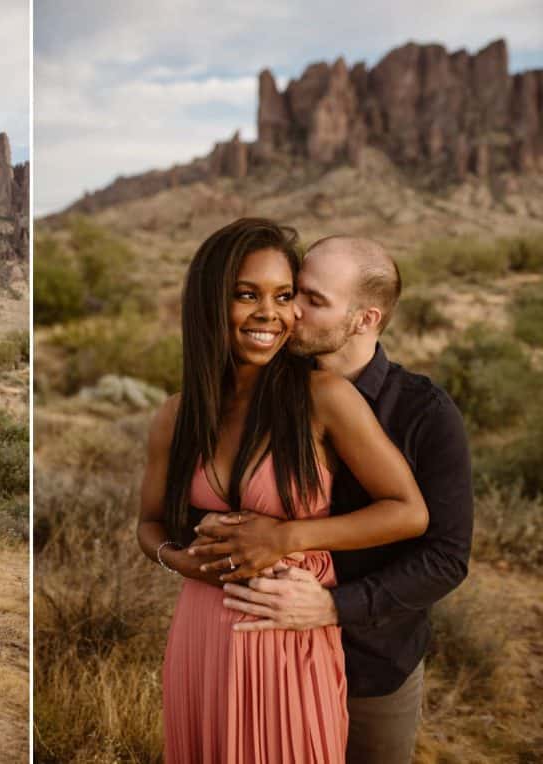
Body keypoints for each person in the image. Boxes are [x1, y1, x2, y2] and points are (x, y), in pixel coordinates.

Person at [137, 218, 429, 763]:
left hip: (287, 633)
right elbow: (148, 523)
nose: (268, 313)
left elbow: (408, 512)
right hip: (202, 634)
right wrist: (181, 562)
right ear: (208, 303)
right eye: (246, 295)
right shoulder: (177, 415)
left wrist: (286, 536)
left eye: (283, 295)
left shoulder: (324, 397)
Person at [201, 236, 472, 764]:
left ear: (365, 318)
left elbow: (446, 557)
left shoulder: (425, 414)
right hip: (263, 654)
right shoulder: (257, 392)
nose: (291, 310)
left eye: (314, 300)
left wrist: (331, 607)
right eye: (292, 291)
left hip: (371, 666)